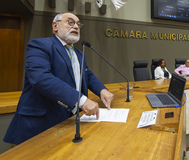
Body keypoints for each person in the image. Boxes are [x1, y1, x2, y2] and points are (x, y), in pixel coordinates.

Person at [4, 12, 114, 145]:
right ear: (55, 26)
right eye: (70, 22)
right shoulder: (39, 45)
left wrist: (102, 90)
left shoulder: (79, 54)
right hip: (39, 126)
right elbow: (41, 78)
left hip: (69, 124)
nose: (76, 27)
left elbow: (87, 75)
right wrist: (81, 100)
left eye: (78, 24)